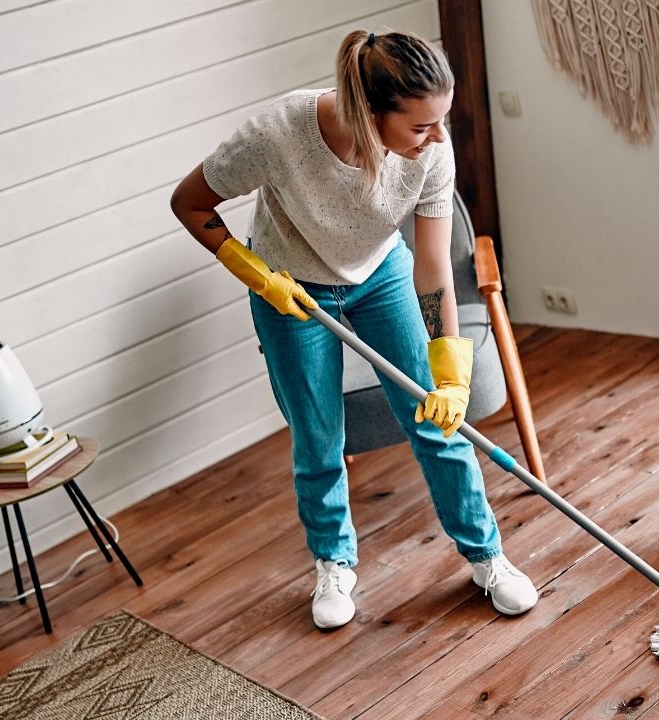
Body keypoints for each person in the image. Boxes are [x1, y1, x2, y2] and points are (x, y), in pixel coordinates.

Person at [169, 29, 538, 629]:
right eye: (421, 125)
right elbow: (189, 202)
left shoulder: (433, 152)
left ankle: (486, 557)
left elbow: (434, 267)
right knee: (317, 436)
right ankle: (334, 562)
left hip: (380, 274)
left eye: (441, 121)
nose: (438, 137)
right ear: (369, 112)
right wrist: (254, 272)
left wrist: (450, 372)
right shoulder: (279, 133)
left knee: (437, 420)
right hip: (289, 288)